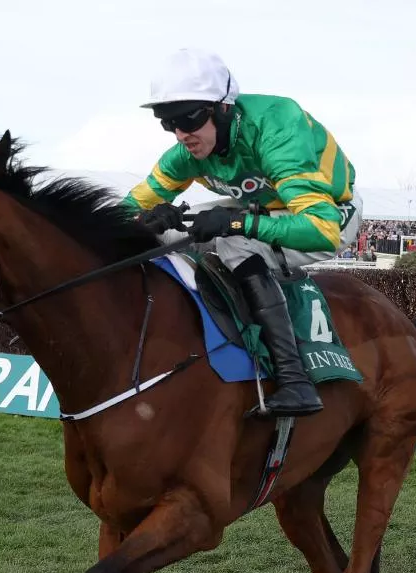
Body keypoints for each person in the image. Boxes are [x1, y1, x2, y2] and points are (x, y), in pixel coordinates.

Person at [121, 48, 363, 417]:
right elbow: (123, 212)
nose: (180, 134)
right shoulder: (186, 153)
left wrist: (237, 223)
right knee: (161, 237)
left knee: (234, 242)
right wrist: (148, 220)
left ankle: (294, 381)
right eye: (167, 122)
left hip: (330, 214)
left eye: (188, 118)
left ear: (223, 107)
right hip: (263, 208)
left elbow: (321, 230)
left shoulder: (277, 126)